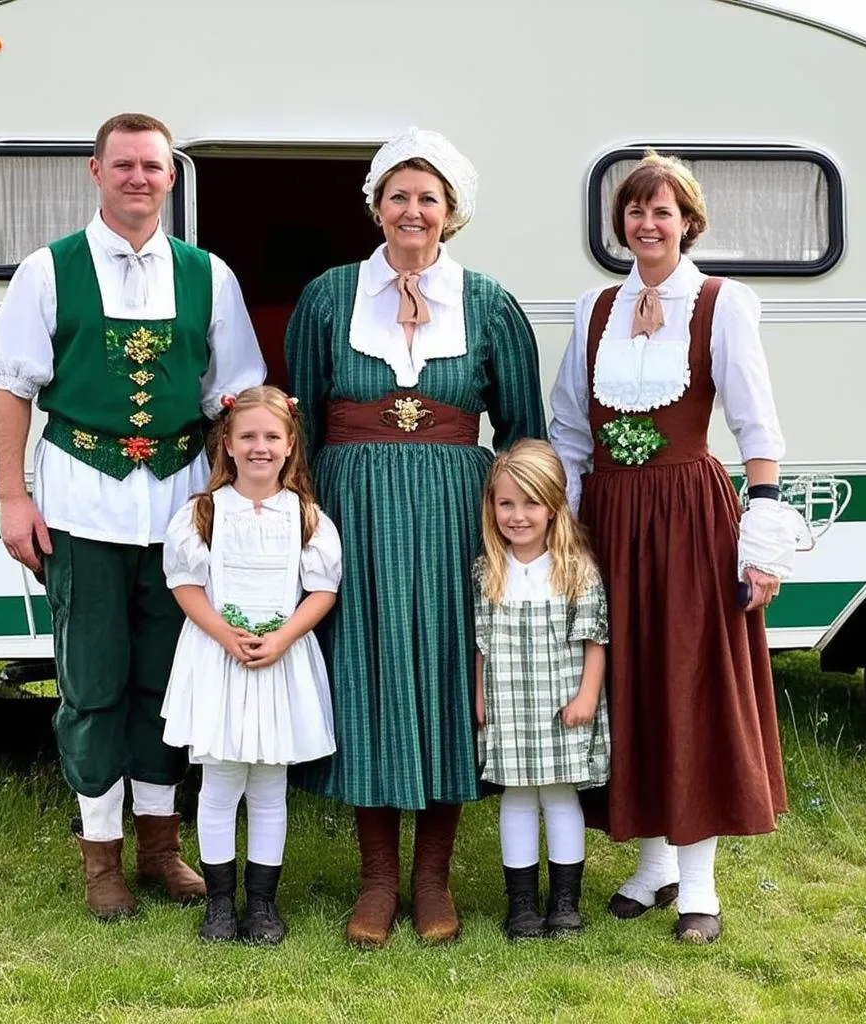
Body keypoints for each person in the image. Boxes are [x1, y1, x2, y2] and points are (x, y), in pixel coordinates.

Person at [0, 113, 266, 920]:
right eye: (125, 164)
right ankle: (101, 858)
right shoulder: (47, 270)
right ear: (96, 172)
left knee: (164, 684)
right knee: (92, 684)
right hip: (80, 501)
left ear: (173, 178)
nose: (140, 177)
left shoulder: (210, 274)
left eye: (154, 166)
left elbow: (231, 396)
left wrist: (233, 505)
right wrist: (11, 498)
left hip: (176, 505)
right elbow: (11, 389)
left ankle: (160, 849)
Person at [285, 127, 547, 946]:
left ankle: (431, 880)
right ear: (374, 205)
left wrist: (522, 533)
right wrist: (299, 519)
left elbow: (525, 431)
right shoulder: (329, 296)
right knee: (364, 668)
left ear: (452, 212)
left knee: (445, 673)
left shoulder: (490, 301)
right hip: (352, 511)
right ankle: (373, 883)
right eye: (397, 195)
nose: (412, 211)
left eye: (427, 198)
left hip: (451, 516)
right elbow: (296, 417)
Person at [549, 151, 805, 944]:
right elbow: (567, 428)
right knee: (628, 683)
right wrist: (569, 525)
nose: (647, 223)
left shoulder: (722, 303)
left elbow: (757, 425)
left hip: (691, 517)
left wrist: (760, 535)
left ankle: (700, 887)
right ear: (619, 223)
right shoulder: (595, 307)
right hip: (615, 520)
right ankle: (654, 865)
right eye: (635, 211)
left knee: (689, 683)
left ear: (688, 222)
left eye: (663, 211)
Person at [161, 386, 341, 944]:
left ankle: (261, 903)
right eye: (247, 437)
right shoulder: (203, 513)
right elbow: (185, 584)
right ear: (228, 444)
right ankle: (219, 902)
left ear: (290, 445)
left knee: (268, 785)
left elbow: (321, 590)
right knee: (219, 782)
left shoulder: (306, 517)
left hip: (280, 661)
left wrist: (284, 637)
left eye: (271, 437)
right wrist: (224, 634)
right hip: (219, 660)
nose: (259, 447)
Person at [472, 440, 609, 940]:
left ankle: (566, 901)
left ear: (554, 506)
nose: (518, 515)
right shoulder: (489, 570)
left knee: (559, 797)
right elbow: (481, 643)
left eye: (530, 503)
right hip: (509, 705)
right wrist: (480, 695)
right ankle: (523, 904)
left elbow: (595, 638)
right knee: (517, 798)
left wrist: (587, 696)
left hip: (560, 705)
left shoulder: (575, 570)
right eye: (506, 503)